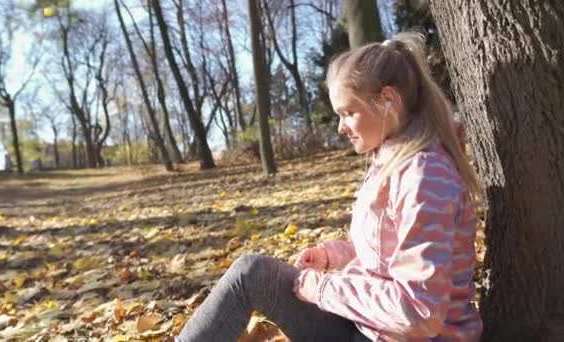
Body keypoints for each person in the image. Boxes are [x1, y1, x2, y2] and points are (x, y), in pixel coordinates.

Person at [176, 31, 483, 342]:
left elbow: (419, 312)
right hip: (369, 328)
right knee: (250, 273)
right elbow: (388, 253)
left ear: (387, 100)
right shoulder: (391, 159)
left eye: (348, 113)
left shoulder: (425, 177)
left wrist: (322, 289)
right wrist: (333, 256)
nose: (340, 127)